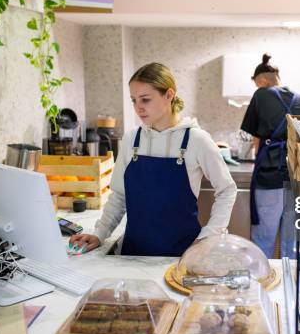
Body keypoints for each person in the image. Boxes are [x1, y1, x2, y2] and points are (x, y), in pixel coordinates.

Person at [70, 63, 237, 256]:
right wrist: (99, 233)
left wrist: (208, 236)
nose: (138, 108)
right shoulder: (132, 139)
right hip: (134, 253)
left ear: (169, 95)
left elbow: (227, 190)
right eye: (133, 100)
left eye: (145, 100)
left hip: (182, 256)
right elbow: (119, 196)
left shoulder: (196, 140)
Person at [240, 54, 300, 258]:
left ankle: (265, 286)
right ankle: (290, 288)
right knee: (292, 244)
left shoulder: (261, 95)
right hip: (297, 179)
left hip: (269, 178)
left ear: (261, 81)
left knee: (263, 240)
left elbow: (255, 140)